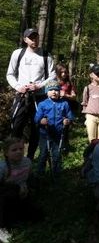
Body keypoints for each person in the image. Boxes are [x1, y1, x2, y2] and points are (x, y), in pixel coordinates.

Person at [6, 28, 55, 159]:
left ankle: (30, 158)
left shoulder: (46, 55)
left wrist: (38, 85)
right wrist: (18, 87)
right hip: (22, 96)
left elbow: (52, 76)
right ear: (25, 39)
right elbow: (10, 74)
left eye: (36, 37)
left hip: (39, 97)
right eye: (31, 38)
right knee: (16, 125)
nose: (34, 40)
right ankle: (13, 157)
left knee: (37, 127)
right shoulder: (18, 53)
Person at [0, 137, 43, 243]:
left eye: (21, 149)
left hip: (23, 194)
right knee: (10, 194)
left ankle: (18, 216)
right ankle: (2, 227)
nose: (18, 152)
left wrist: (26, 187)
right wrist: (14, 187)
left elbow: (28, 177)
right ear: (6, 153)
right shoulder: (3, 167)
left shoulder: (27, 162)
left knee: (37, 216)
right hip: (5, 196)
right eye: (14, 150)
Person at [34, 81, 74, 177]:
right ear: (47, 92)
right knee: (43, 153)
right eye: (51, 90)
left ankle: (57, 173)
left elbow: (70, 116)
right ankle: (40, 173)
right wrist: (41, 121)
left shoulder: (64, 103)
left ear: (59, 92)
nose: (54, 92)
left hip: (58, 134)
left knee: (57, 154)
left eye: (56, 90)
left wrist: (67, 120)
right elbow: (36, 118)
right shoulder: (42, 104)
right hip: (45, 134)